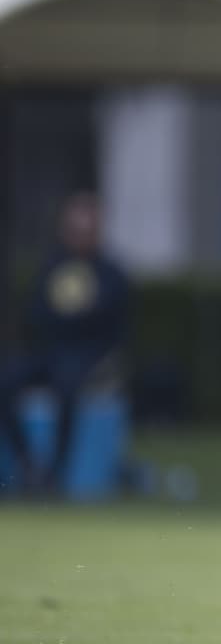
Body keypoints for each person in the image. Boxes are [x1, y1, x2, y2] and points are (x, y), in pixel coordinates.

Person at [1, 191, 129, 495]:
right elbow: (36, 313)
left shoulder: (110, 273)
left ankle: (55, 474)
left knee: (67, 388)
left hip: (87, 357)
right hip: (49, 352)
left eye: (86, 230)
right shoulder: (51, 268)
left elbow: (115, 326)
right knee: (6, 381)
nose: (79, 236)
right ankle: (28, 463)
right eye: (74, 229)